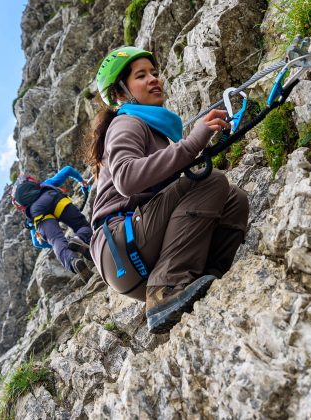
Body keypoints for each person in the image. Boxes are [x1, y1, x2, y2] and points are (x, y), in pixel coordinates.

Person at [86, 46, 249, 333]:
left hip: (132, 258)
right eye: (141, 75)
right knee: (210, 181)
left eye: (155, 73)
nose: (154, 79)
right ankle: (167, 290)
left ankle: (205, 277)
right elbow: (126, 178)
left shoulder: (153, 130)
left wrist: (201, 144)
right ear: (122, 93)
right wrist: (191, 144)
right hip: (121, 243)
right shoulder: (127, 122)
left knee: (233, 198)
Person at [11, 165, 94, 283]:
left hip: (38, 213)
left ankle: (73, 261)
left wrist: (59, 244)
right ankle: (79, 239)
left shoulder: (30, 213)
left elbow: (36, 243)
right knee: (82, 226)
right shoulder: (46, 185)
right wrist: (81, 181)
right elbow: (68, 170)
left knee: (56, 241)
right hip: (53, 197)